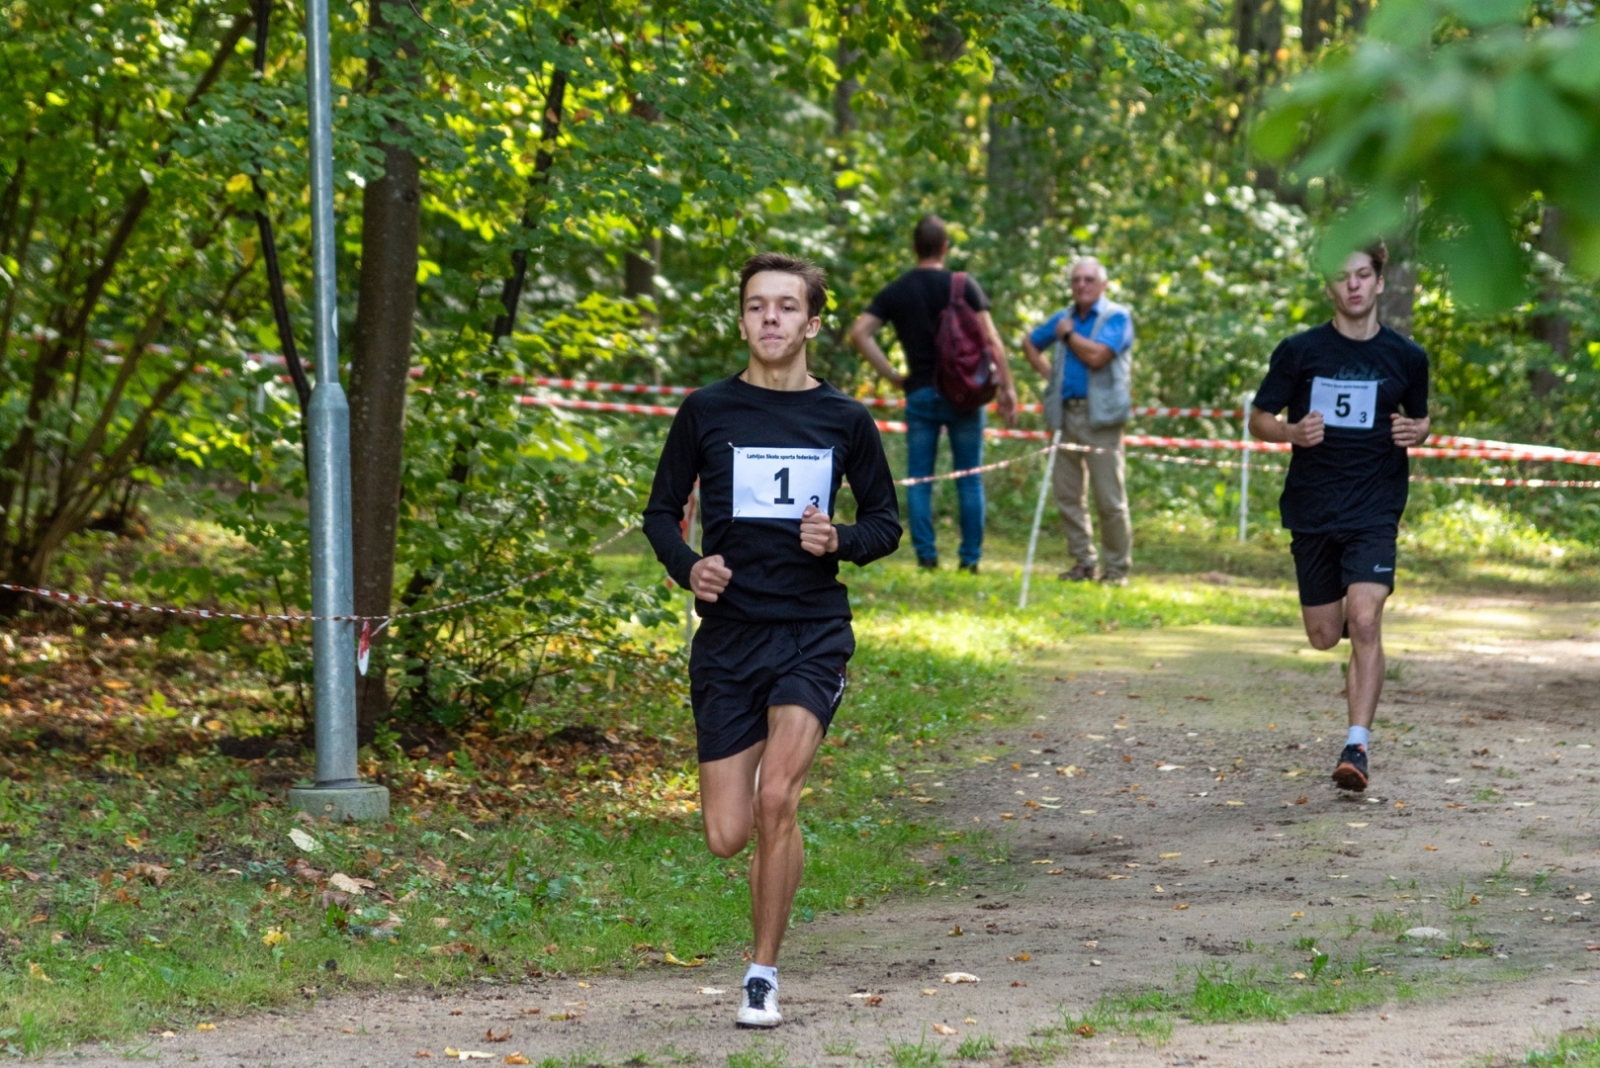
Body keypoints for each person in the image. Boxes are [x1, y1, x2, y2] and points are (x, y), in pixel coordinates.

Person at [642, 253, 902, 1028]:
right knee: (727, 834)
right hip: (728, 638)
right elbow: (660, 513)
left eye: (787, 308)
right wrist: (690, 569)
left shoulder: (845, 419)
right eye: (757, 306)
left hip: (812, 631)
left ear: (813, 322)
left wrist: (840, 539)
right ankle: (771, 858)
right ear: (743, 318)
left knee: (777, 797)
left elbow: (886, 524)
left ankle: (762, 973)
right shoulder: (706, 410)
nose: (771, 320)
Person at [1248, 242, 1430, 792]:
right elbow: (1259, 417)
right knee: (1326, 636)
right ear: (1329, 288)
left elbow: (1420, 420)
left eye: (1363, 275)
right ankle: (1353, 613)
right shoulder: (1300, 351)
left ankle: (1357, 745)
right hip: (1313, 508)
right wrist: (1290, 431)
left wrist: (1416, 431)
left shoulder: (1407, 355)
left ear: (1379, 283)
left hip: (1375, 506)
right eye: (1341, 277)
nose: (1353, 286)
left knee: (1367, 619)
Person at [848, 215, 1019, 573]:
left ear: (914, 247)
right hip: (965, 394)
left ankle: (927, 557)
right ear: (945, 247)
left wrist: (893, 375)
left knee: (920, 479)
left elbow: (860, 333)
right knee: (969, 477)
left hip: (921, 392)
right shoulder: (963, 284)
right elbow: (992, 340)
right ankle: (970, 561)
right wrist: (1007, 387)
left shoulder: (898, 289)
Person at [1021, 256, 1135, 586]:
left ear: (1103, 284)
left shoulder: (1117, 317)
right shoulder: (1064, 318)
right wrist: (1051, 377)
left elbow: (1099, 356)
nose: (1081, 285)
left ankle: (1116, 570)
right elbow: (1029, 343)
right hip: (1064, 414)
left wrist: (1068, 337)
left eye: (1087, 279)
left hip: (1102, 418)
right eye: (1075, 280)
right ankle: (1084, 562)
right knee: (1067, 494)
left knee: (1109, 498)